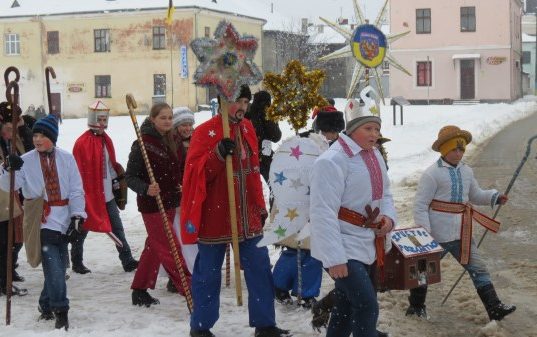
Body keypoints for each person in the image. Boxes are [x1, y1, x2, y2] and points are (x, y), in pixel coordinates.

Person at [181, 85, 290, 337]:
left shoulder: (249, 128)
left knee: (260, 269)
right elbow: (195, 177)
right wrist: (217, 155)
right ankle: (201, 326)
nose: (242, 107)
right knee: (208, 275)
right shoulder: (203, 132)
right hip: (215, 217)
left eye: (245, 101)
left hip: (247, 216)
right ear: (221, 101)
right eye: (236, 101)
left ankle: (265, 324)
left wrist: (259, 207)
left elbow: (253, 172)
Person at [406, 125, 516, 321]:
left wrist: (495, 197)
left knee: (479, 268)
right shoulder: (432, 174)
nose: (458, 153)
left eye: (462, 149)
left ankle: (494, 308)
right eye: (454, 149)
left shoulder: (467, 171)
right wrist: (425, 234)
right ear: (443, 150)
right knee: (422, 272)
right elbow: (420, 206)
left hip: (461, 234)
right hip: (435, 235)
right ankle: (416, 307)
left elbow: (475, 195)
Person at [309, 101, 396, 337]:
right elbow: (322, 212)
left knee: (346, 306)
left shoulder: (374, 154)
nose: (374, 134)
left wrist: (387, 218)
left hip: (367, 242)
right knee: (367, 306)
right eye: (368, 129)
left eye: (377, 129)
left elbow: (385, 194)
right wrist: (334, 258)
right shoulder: (331, 161)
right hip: (343, 246)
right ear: (352, 129)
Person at [0, 114, 87, 330]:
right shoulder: (26, 159)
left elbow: (76, 189)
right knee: (55, 268)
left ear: (53, 138)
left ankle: (45, 304)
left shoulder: (66, 158)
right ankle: (61, 310)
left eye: (43, 135)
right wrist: (8, 168)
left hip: (65, 219)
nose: (37, 139)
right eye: (36, 135)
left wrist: (77, 215)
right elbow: (7, 186)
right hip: (41, 220)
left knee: (57, 266)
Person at [271, 105, 345, 308]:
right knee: (293, 250)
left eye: (335, 131)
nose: (331, 135)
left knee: (315, 252)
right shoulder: (302, 144)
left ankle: (306, 292)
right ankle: (278, 285)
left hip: (321, 206)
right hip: (296, 204)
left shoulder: (339, 147)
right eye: (328, 130)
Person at [125, 102, 190, 306]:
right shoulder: (143, 144)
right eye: (163, 117)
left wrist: (181, 183)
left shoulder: (174, 141)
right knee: (171, 248)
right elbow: (131, 176)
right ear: (153, 119)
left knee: (154, 247)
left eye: (170, 117)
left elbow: (181, 168)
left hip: (170, 201)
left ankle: (139, 289)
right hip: (152, 206)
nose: (167, 121)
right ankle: (191, 290)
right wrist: (146, 188)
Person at [71, 100, 138, 274]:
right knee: (82, 230)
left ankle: (127, 260)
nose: (102, 124)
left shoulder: (106, 140)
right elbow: (78, 171)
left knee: (117, 228)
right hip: (89, 194)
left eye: (104, 120)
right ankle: (77, 262)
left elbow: (110, 165)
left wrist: (117, 182)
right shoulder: (82, 143)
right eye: (99, 120)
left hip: (107, 195)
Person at [0, 101, 34, 294]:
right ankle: (5, 280)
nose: (10, 131)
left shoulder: (15, 138)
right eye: (8, 128)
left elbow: (27, 154)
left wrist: (22, 128)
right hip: (4, 199)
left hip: (14, 198)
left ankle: (7, 275)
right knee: (5, 241)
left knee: (13, 240)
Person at [165, 106, 196, 293]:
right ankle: (178, 274)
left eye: (189, 124)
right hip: (178, 198)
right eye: (183, 125)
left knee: (192, 237)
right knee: (178, 237)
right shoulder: (172, 144)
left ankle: (193, 271)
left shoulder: (196, 141)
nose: (187, 128)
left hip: (193, 196)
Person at [244, 90, 282, 183]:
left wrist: (267, 119)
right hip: (249, 156)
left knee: (275, 184)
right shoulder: (247, 114)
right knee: (250, 187)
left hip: (266, 154)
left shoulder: (269, 115)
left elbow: (276, 137)